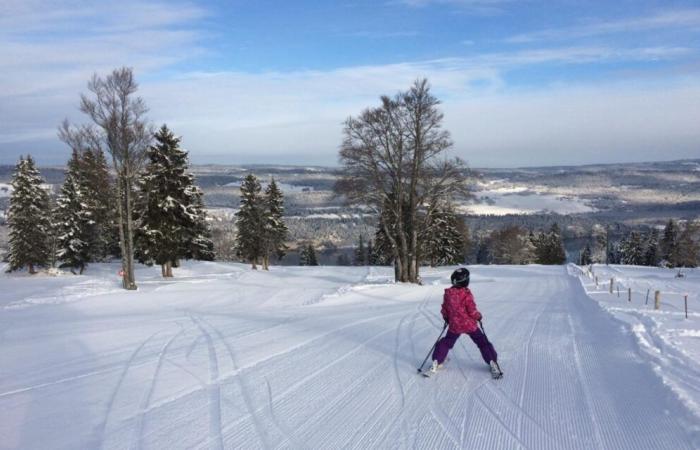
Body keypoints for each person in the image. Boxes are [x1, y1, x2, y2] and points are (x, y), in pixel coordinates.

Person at [426, 268, 502, 378]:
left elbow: (445, 309)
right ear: (465, 281)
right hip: (470, 325)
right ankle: (492, 361)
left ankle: (437, 361)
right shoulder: (466, 294)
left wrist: (446, 318)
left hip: (455, 326)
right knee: (482, 342)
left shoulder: (448, 294)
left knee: (446, 342)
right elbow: (472, 310)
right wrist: (478, 316)